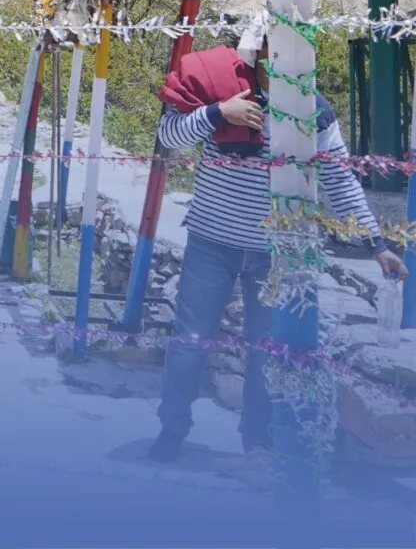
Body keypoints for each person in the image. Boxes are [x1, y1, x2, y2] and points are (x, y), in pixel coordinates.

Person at [149, 46, 405, 481]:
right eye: (274, 52)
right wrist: (217, 114)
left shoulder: (315, 112)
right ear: (258, 54)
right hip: (212, 241)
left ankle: (259, 448)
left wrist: (375, 243)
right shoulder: (224, 89)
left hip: (277, 252)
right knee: (190, 341)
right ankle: (171, 431)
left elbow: (340, 179)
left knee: (266, 354)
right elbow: (168, 136)